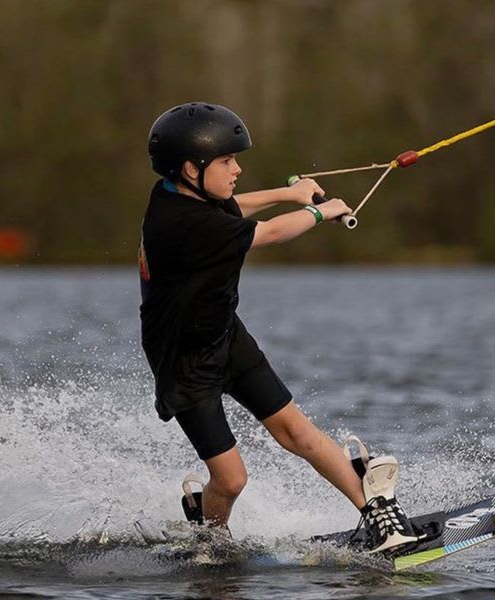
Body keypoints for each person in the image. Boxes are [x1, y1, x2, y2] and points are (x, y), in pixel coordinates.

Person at [138, 102, 418, 553]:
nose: (237, 169)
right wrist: (319, 214)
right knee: (230, 480)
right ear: (192, 168)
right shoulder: (182, 225)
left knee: (299, 433)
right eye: (227, 161)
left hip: (225, 336)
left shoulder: (174, 192)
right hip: (184, 360)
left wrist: (288, 194)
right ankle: (209, 537)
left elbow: (230, 207)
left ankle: (375, 514)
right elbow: (265, 234)